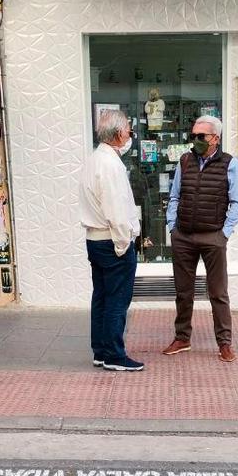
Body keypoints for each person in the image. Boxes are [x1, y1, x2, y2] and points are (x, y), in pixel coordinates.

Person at [162, 114, 238, 363]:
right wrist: (172, 227)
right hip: (184, 237)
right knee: (183, 292)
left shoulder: (229, 163)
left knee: (218, 293)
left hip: (213, 237)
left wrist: (224, 234)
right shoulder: (185, 161)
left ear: (215, 138)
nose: (196, 140)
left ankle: (224, 343)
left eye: (201, 136)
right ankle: (182, 338)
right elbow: (174, 196)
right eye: (194, 136)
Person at [80, 108, 144, 371]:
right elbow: (116, 209)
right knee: (117, 299)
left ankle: (101, 351)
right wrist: (123, 244)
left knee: (102, 297)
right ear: (119, 134)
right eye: (128, 128)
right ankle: (115, 356)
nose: (130, 133)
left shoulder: (95, 159)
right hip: (111, 241)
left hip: (95, 240)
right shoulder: (110, 164)